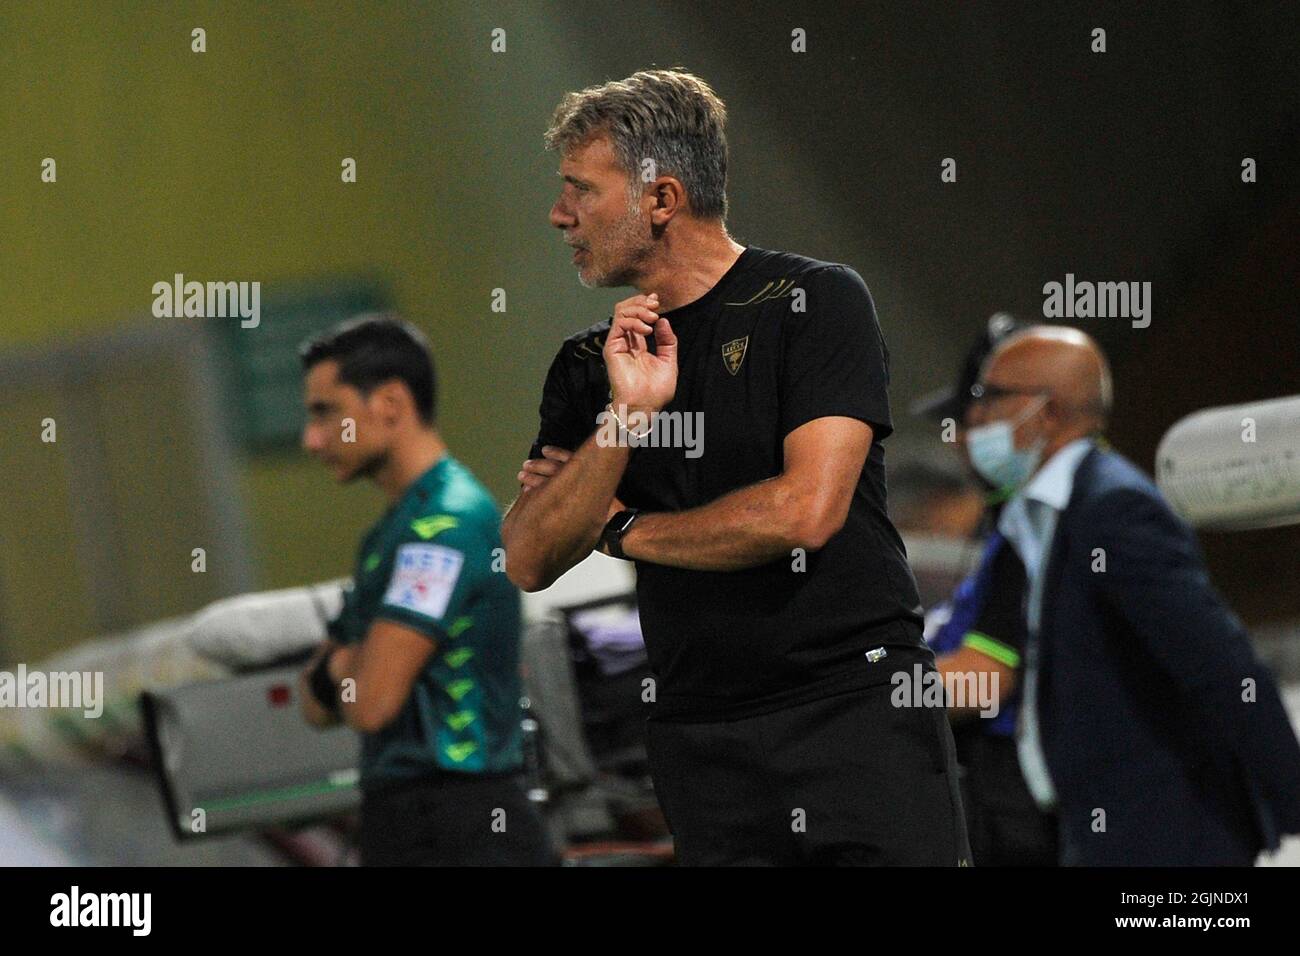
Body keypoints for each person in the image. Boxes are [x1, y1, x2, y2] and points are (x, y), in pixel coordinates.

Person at [503, 69, 969, 865]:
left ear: (661, 198)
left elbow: (805, 513)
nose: (559, 215)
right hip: (700, 740)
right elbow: (528, 556)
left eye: (580, 190)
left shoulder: (816, 303)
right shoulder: (589, 367)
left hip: (850, 715)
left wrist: (622, 531)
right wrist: (625, 417)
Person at [968, 325, 1300, 865]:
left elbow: (1218, 661)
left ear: (1047, 413)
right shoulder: (1047, 515)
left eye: (990, 398)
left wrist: (1293, 802)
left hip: (1169, 840)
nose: (975, 418)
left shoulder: (1113, 509)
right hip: (1107, 833)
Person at [295, 314, 556, 866]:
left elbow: (369, 703)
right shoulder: (386, 537)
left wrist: (341, 668)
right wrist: (348, 669)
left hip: (464, 824)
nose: (311, 439)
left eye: (326, 412)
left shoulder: (446, 524)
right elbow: (313, 707)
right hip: (408, 820)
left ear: (389, 404)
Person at [913, 315, 1060, 866]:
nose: (964, 441)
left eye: (979, 417)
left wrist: (860, 701)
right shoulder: (1021, 524)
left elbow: (985, 680)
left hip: (1037, 815)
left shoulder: (1053, 523)